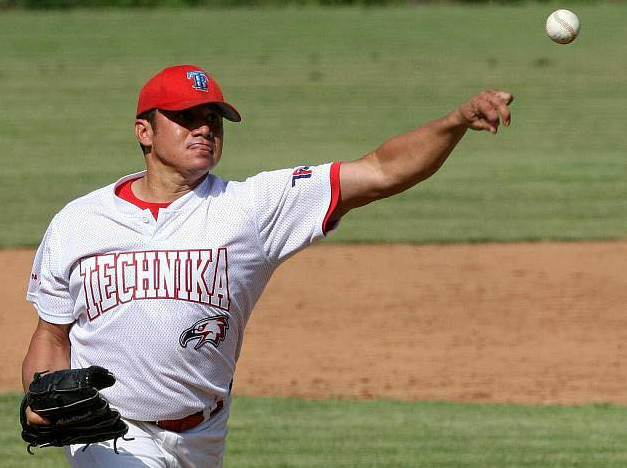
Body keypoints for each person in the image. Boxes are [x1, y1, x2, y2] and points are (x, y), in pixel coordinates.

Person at [21, 64, 513, 467]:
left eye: (213, 118)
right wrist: (42, 397)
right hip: (111, 433)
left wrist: (455, 121)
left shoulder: (251, 208)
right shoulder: (79, 222)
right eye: (186, 117)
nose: (204, 128)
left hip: (204, 432)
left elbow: (381, 171)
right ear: (143, 131)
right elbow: (51, 334)